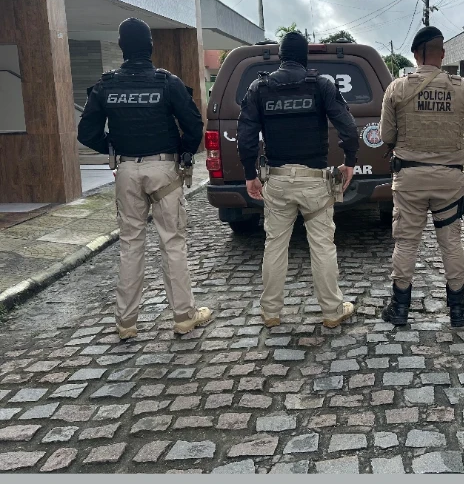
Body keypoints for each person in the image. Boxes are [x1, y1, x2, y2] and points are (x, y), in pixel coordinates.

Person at [77, 18, 212, 339]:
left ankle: (126, 323)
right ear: (150, 47)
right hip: (164, 170)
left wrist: (113, 147)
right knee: (173, 242)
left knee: (130, 245)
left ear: (121, 47)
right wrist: (183, 152)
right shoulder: (168, 83)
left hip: (126, 170)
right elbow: (194, 125)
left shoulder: (105, 86)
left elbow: (86, 132)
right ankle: (184, 316)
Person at [237, 32, 359, 329]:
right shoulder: (321, 85)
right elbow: (348, 127)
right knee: (322, 246)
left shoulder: (259, 87)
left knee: (275, 245)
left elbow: (246, 135)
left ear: (280, 56)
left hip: (277, 180)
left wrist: (250, 174)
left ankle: (270, 313)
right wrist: (350, 161)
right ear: (305, 57)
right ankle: (332, 311)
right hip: (314, 181)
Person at [379, 26, 464, 328]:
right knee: (451, 243)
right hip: (449, 181)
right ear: (443, 53)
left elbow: (386, 135)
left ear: (415, 54)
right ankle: (457, 309)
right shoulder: (462, 87)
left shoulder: (397, 88)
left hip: (409, 179)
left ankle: (399, 308)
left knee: (406, 243)